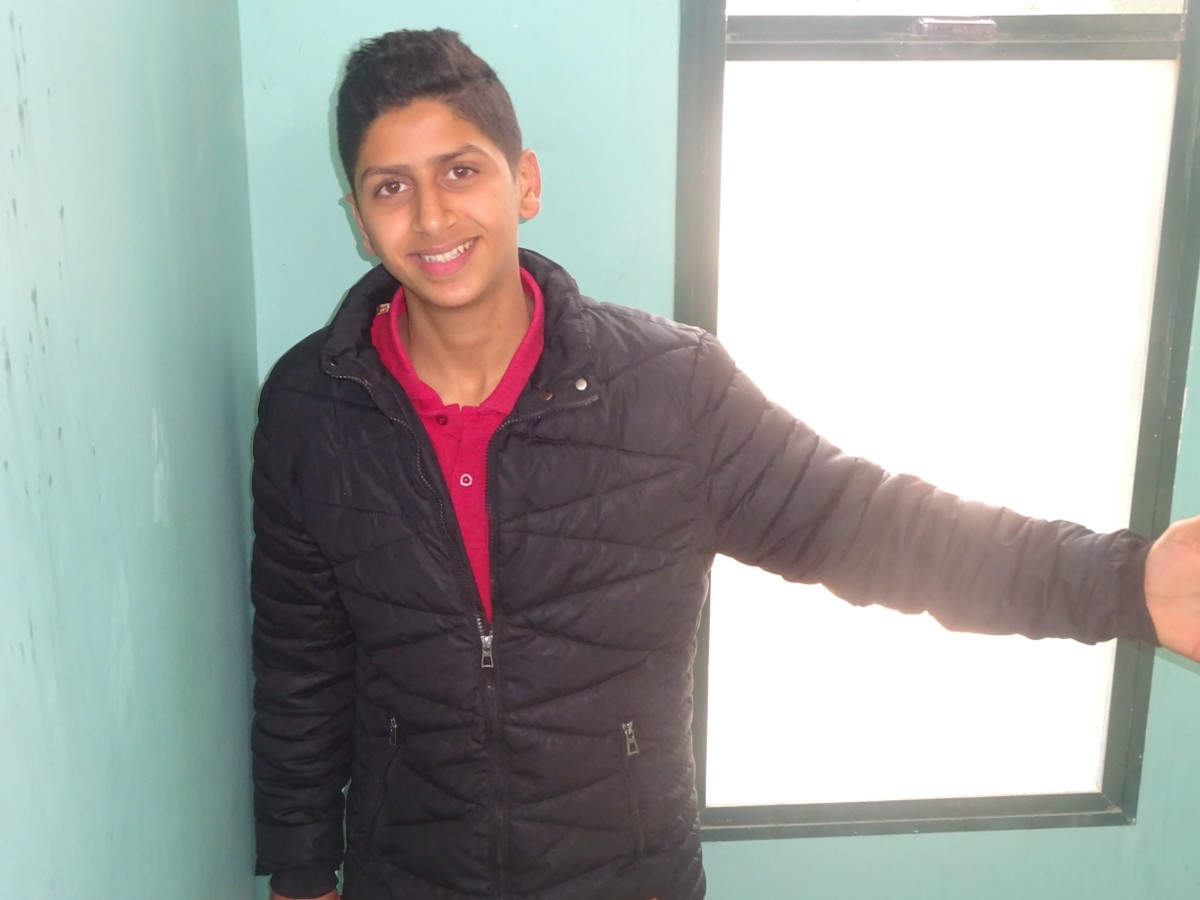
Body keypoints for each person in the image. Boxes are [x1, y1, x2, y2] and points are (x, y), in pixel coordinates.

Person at [250, 26, 1200, 900]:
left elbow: (875, 526)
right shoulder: (311, 408)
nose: (431, 215)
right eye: (391, 187)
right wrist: (300, 873)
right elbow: (301, 665)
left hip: (629, 877)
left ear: (525, 183)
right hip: (408, 876)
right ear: (359, 216)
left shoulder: (670, 390)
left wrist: (1124, 585)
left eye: (460, 171)